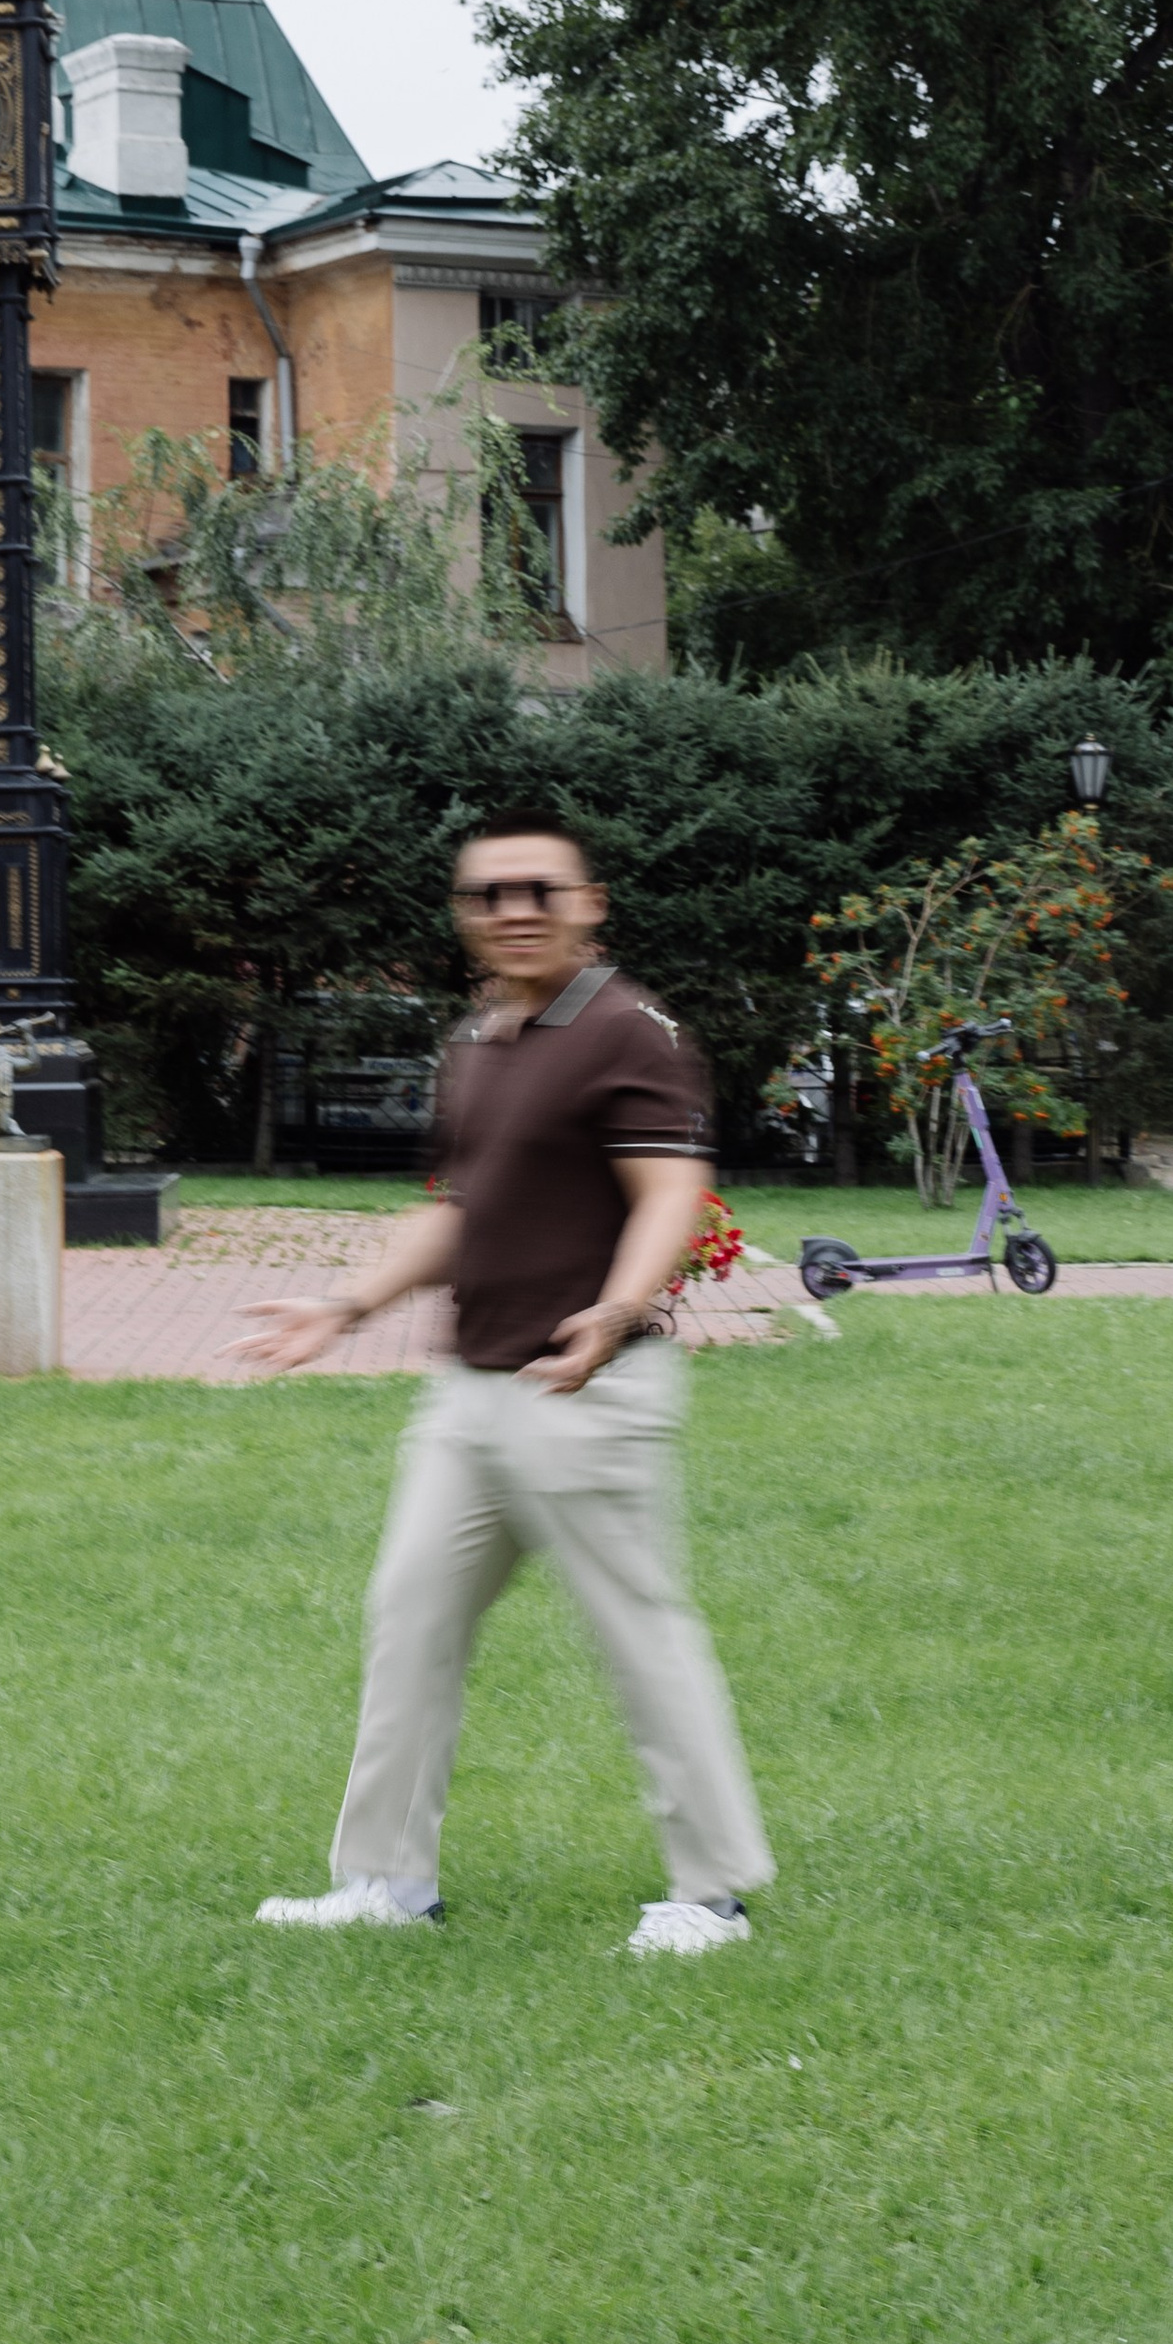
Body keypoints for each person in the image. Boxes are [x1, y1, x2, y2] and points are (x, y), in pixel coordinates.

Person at [241, 815, 774, 1957]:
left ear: (590, 904)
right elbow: (458, 1206)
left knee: (638, 1634)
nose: (514, 910)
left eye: (539, 890)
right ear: (463, 916)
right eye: (489, 895)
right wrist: (343, 1306)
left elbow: (671, 1193)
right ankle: (384, 1883)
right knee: (409, 1622)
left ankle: (711, 1895)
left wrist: (619, 1311)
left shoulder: (629, 1031)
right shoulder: (482, 1035)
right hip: (470, 1396)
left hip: (586, 1391)